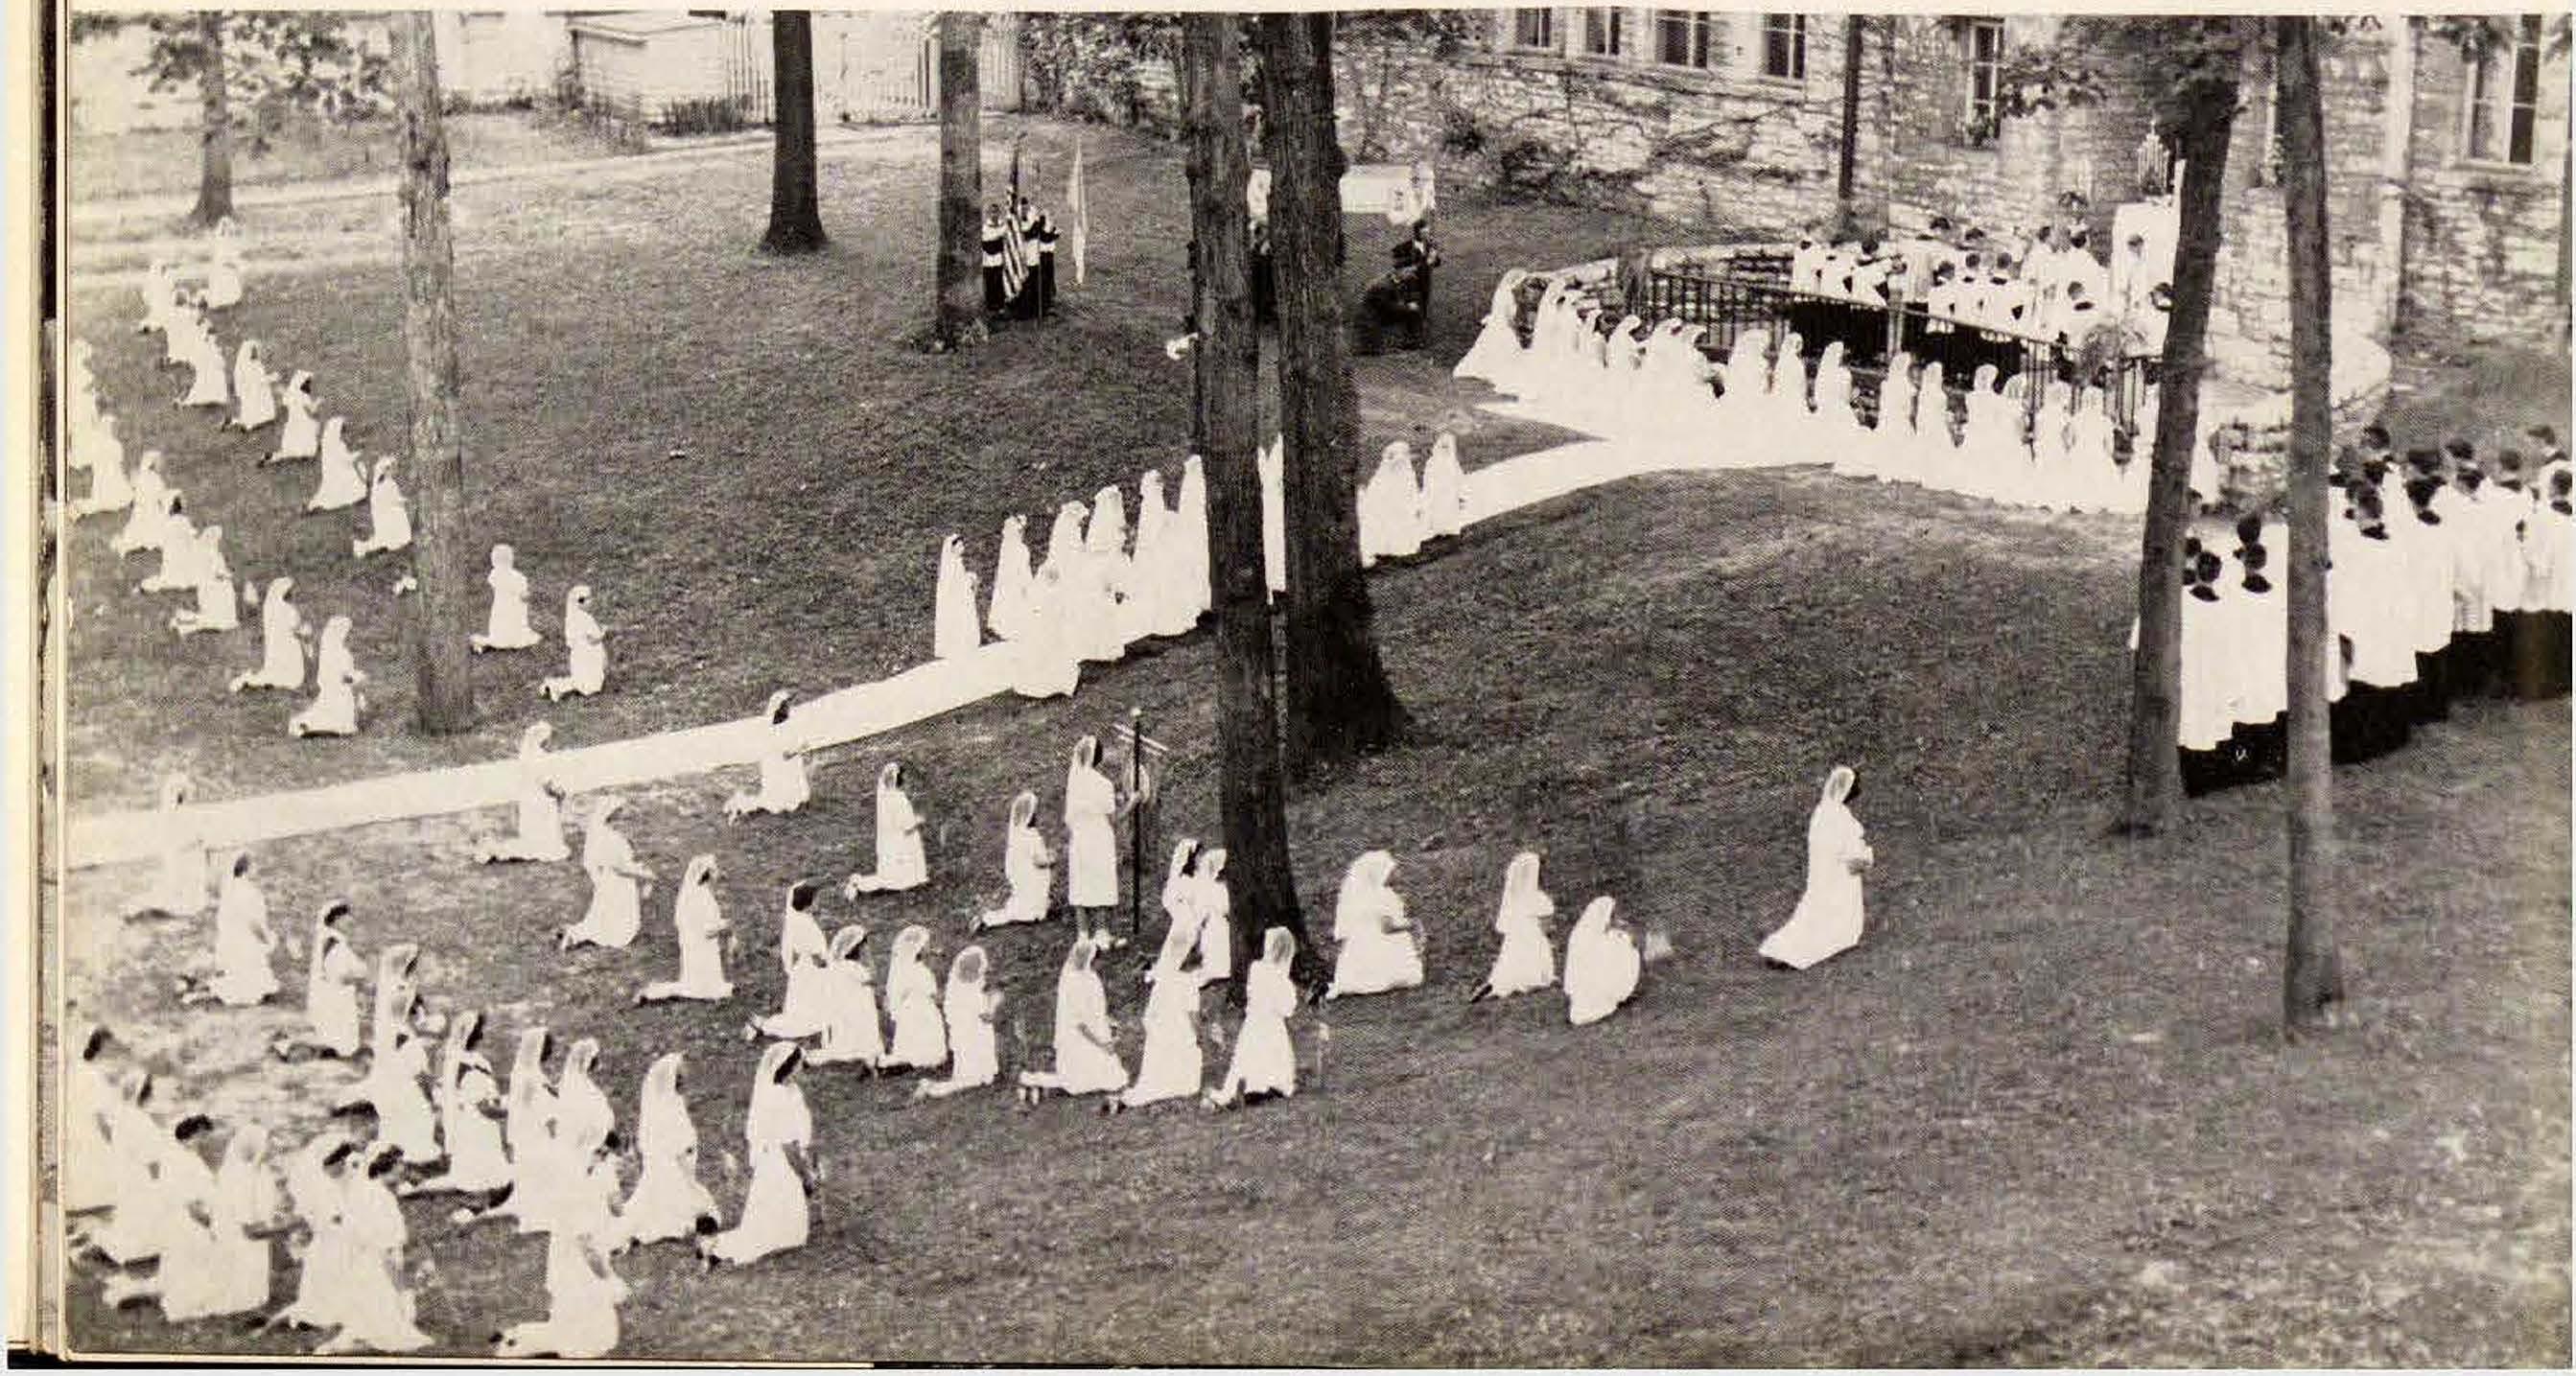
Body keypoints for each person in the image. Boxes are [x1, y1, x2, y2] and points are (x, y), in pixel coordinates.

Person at [699, 1041, 816, 1269]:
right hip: (781, 1164)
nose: (803, 1066)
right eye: (799, 1063)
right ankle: (716, 1249)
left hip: (778, 1160)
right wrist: (805, 1175)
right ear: (789, 1066)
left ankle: (717, 1248)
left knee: (788, 1231)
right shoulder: (778, 1097)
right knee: (779, 1235)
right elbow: (787, 1143)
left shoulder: (790, 1090)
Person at [1758, 765, 1875, 969]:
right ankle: (1795, 952)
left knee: (1814, 911)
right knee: (1834, 914)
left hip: (1821, 874)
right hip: (1840, 875)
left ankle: (1782, 948)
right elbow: (1850, 852)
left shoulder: (1822, 811)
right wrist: (1865, 856)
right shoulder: (1841, 816)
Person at [404, 1010, 512, 1198]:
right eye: (480, 1031)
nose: (482, 1035)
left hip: (467, 1127)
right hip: (478, 1132)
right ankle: (418, 1188)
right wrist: (511, 1110)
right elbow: (485, 1108)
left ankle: (418, 1187)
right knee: (494, 1179)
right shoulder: (472, 1068)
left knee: (469, 1178)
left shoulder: (457, 1060)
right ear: (473, 1035)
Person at [620, 1052, 719, 1247]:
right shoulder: (661, 1107)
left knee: (700, 1205)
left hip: (682, 1164)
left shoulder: (675, 1101)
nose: (683, 1080)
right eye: (679, 1076)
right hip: (668, 1167)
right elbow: (663, 1142)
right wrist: (683, 1149)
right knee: (675, 1211)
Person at [1018, 934, 1128, 1102]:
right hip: (1079, 1038)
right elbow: (1079, 1024)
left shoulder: (1090, 977)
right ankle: (1035, 1080)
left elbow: (1096, 1009)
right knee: (1085, 1082)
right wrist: (1101, 1044)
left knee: (1115, 1077)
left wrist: (1108, 1023)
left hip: (1095, 1031)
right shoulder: (1072, 982)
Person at [1206, 927, 1300, 1109]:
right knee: (1272, 1053)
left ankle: (1251, 1087)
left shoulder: (1257, 969)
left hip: (1254, 1022)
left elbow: (1252, 995)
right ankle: (1268, 1085)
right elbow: (1287, 1009)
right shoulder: (1282, 980)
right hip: (1273, 1025)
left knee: (1246, 1055)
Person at [634, 853, 732, 1005]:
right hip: (701, 949)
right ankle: (650, 994)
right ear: (707, 874)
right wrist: (724, 926)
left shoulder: (698, 892)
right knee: (699, 990)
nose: (718, 873)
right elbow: (706, 931)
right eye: (714, 870)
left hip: (701, 948)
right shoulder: (700, 897)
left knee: (709, 989)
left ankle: (653, 992)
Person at [1325, 851, 1423, 999]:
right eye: (1392, 871)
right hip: (1381, 942)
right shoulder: (1383, 896)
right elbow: (1387, 928)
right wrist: (1410, 925)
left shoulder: (1369, 896)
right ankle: (1387, 973)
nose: (1397, 873)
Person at [1063, 735, 1129, 947]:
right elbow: (1114, 818)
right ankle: (1101, 933)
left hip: (1080, 840)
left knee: (1081, 883)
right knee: (1101, 881)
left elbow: (1070, 818)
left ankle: (1082, 935)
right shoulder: (1103, 784)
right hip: (1100, 839)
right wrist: (1133, 802)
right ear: (1098, 758)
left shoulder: (1074, 783)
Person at [747, 880, 833, 1041]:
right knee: (807, 1019)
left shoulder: (800, 919)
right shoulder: (805, 925)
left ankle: (765, 1026)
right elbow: (817, 956)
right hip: (811, 971)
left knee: (806, 1013)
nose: (819, 903)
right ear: (808, 904)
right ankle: (764, 1027)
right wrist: (830, 965)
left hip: (803, 968)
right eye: (816, 900)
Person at [476, 723, 573, 865]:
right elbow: (546, 782)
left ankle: (497, 848)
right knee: (544, 843)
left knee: (532, 837)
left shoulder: (527, 756)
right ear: (543, 740)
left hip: (529, 800)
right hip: (541, 802)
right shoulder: (540, 757)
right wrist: (559, 792)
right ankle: (496, 849)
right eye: (548, 739)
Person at [915, 945, 1002, 1100]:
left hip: (971, 1040)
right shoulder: (970, 993)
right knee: (971, 1080)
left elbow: (990, 998)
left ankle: (935, 1084)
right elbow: (983, 1014)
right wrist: (990, 1007)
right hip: (973, 1043)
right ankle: (931, 1088)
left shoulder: (963, 990)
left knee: (975, 1078)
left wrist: (990, 1006)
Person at [564, 801, 654, 951]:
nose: (624, 819)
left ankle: (576, 934)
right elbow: (619, 868)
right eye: (621, 816)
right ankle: (578, 935)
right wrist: (644, 875)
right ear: (613, 817)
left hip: (609, 880)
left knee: (605, 915)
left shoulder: (605, 835)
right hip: (619, 883)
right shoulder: (612, 839)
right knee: (616, 920)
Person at [1467, 851, 1556, 1003]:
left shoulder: (1516, 900)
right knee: (1536, 959)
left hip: (1515, 939)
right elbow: (1545, 925)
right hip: (1534, 938)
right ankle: (1533, 978)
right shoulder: (1539, 898)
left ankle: (1496, 986)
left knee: (1510, 962)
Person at [808, 926, 887, 1070]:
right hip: (855, 1016)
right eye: (864, 947)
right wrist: (869, 958)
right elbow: (873, 978)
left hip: (842, 1016)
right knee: (867, 992)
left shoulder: (836, 966)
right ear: (857, 949)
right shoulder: (855, 968)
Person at [725, 689, 811, 821]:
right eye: (786, 705)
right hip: (782, 769)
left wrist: (799, 747)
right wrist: (800, 748)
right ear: (779, 709)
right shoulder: (775, 730)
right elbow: (785, 755)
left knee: (797, 796)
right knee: (781, 802)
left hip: (789, 767)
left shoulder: (786, 725)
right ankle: (741, 807)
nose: (789, 708)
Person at [974, 790, 1055, 931]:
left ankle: (991, 918)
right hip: (1033, 878)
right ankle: (988, 919)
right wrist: (1051, 860)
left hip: (1023, 877)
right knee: (1024, 911)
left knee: (1025, 903)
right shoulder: (1031, 835)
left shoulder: (1018, 834)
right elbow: (1039, 861)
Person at [844, 762, 929, 895]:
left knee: (891, 878)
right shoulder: (898, 798)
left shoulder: (886, 797)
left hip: (891, 843)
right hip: (903, 843)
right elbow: (906, 825)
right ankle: (860, 885)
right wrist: (919, 820)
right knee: (897, 880)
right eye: (904, 778)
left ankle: (862, 884)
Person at [1562, 897, 1643, 1026]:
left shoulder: (1588, 931)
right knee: (1621, 942)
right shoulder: (1586, 935)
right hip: (1592, 982)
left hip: (1591, 979)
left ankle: (1618, 991)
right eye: (1612, 913)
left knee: (1622, 940)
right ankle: (1614, 993)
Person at [881, 924, 948, 1073]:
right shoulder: (922, 972)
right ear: (920, 949)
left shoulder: (904, 969)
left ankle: (902, 1059)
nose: (929, 948)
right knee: (928, 1048)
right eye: (927, 945)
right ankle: (924, 1056)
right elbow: (935, 997)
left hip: (907, 1016)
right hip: (923, 1014)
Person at [229, 577, 307, 693]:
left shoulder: (270, 607)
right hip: (290, 650)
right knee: (291, 677)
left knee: (274, 672)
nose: (293, 594)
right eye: (291, 591)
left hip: (275, 651)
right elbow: (298, 629)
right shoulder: (289, 610)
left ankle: (258, 682)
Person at [470, 544, 542, 652]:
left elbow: (494, 585)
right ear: (511, 560)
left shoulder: (494, 575)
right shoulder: (519, 578)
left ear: (493, 561)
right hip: (515, 617)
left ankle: (490, 642)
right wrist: (527, 596)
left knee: (499, 628)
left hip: (500, 614)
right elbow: (523, 596)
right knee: (518, 627)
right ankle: (510, 638)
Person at [541, 585, 608, 700]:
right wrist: (604, 632)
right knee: (589, 683)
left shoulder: (571, 618)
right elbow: (593, 640)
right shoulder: (586, 619)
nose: (591, 601)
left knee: (581, 679)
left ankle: (555, 686)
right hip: (590, 655)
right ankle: (555, 686)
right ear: (580, 602)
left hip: (578, 654)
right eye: (588, 599)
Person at [350, 456, 412, 559]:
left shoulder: (388, 483)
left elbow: (393, 497)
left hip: (390, 510)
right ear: (385, 471)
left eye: (394, 468)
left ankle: (397, 541)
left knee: (395, 524)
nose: (393, 471)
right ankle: (364, 547)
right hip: (388, 511)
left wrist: (401, 500)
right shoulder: (385, 484)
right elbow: (391, 499)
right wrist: (403, 501)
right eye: (390, 469)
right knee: (389, 528)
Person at [1393, 219, 1440, 350]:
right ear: (1417, 232)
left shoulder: (1430, 246)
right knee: (1412, 309)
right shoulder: (1405, 247)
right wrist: (1426, 261)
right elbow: (1399, 264)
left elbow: (1437, 263)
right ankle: (1408, 340)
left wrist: (1434, 258)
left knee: (1423, 309)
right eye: (1424, 233)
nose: (1426, 235)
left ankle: (1419, 339)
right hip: (1411, 284)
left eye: (1428, 232)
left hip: (1425, 283)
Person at [981, 202, 1009, 315]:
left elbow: (1004, 243)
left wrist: (996, 241)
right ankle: (991, 307)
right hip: (988, 261)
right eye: (992, 212)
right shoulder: (985, 227)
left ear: (999, 213)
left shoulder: (1003, 226)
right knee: (990, 283)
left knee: (999, 283)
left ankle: (1000, 306)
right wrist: (997, 239)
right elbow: (987, 245)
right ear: (989, 214)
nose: (994, 215)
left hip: (998, 259)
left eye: (996, 212)